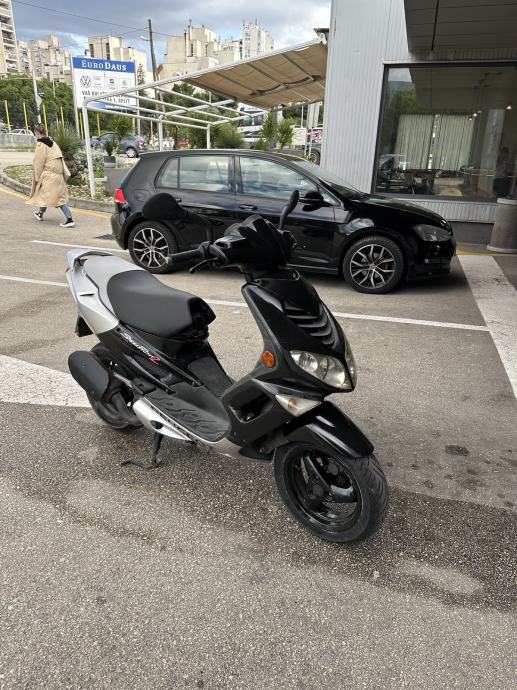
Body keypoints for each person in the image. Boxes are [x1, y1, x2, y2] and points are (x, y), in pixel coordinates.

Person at [27, 123, 75, 227]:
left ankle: (69, 219)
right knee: (46, 195)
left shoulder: (41, 145)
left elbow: (38, 163)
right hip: (59, 175)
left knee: (57, 199)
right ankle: (40, 213)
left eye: (35, 133)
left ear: (37, 132)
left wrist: (37, 178)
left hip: (49, 175)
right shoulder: (53, 142)